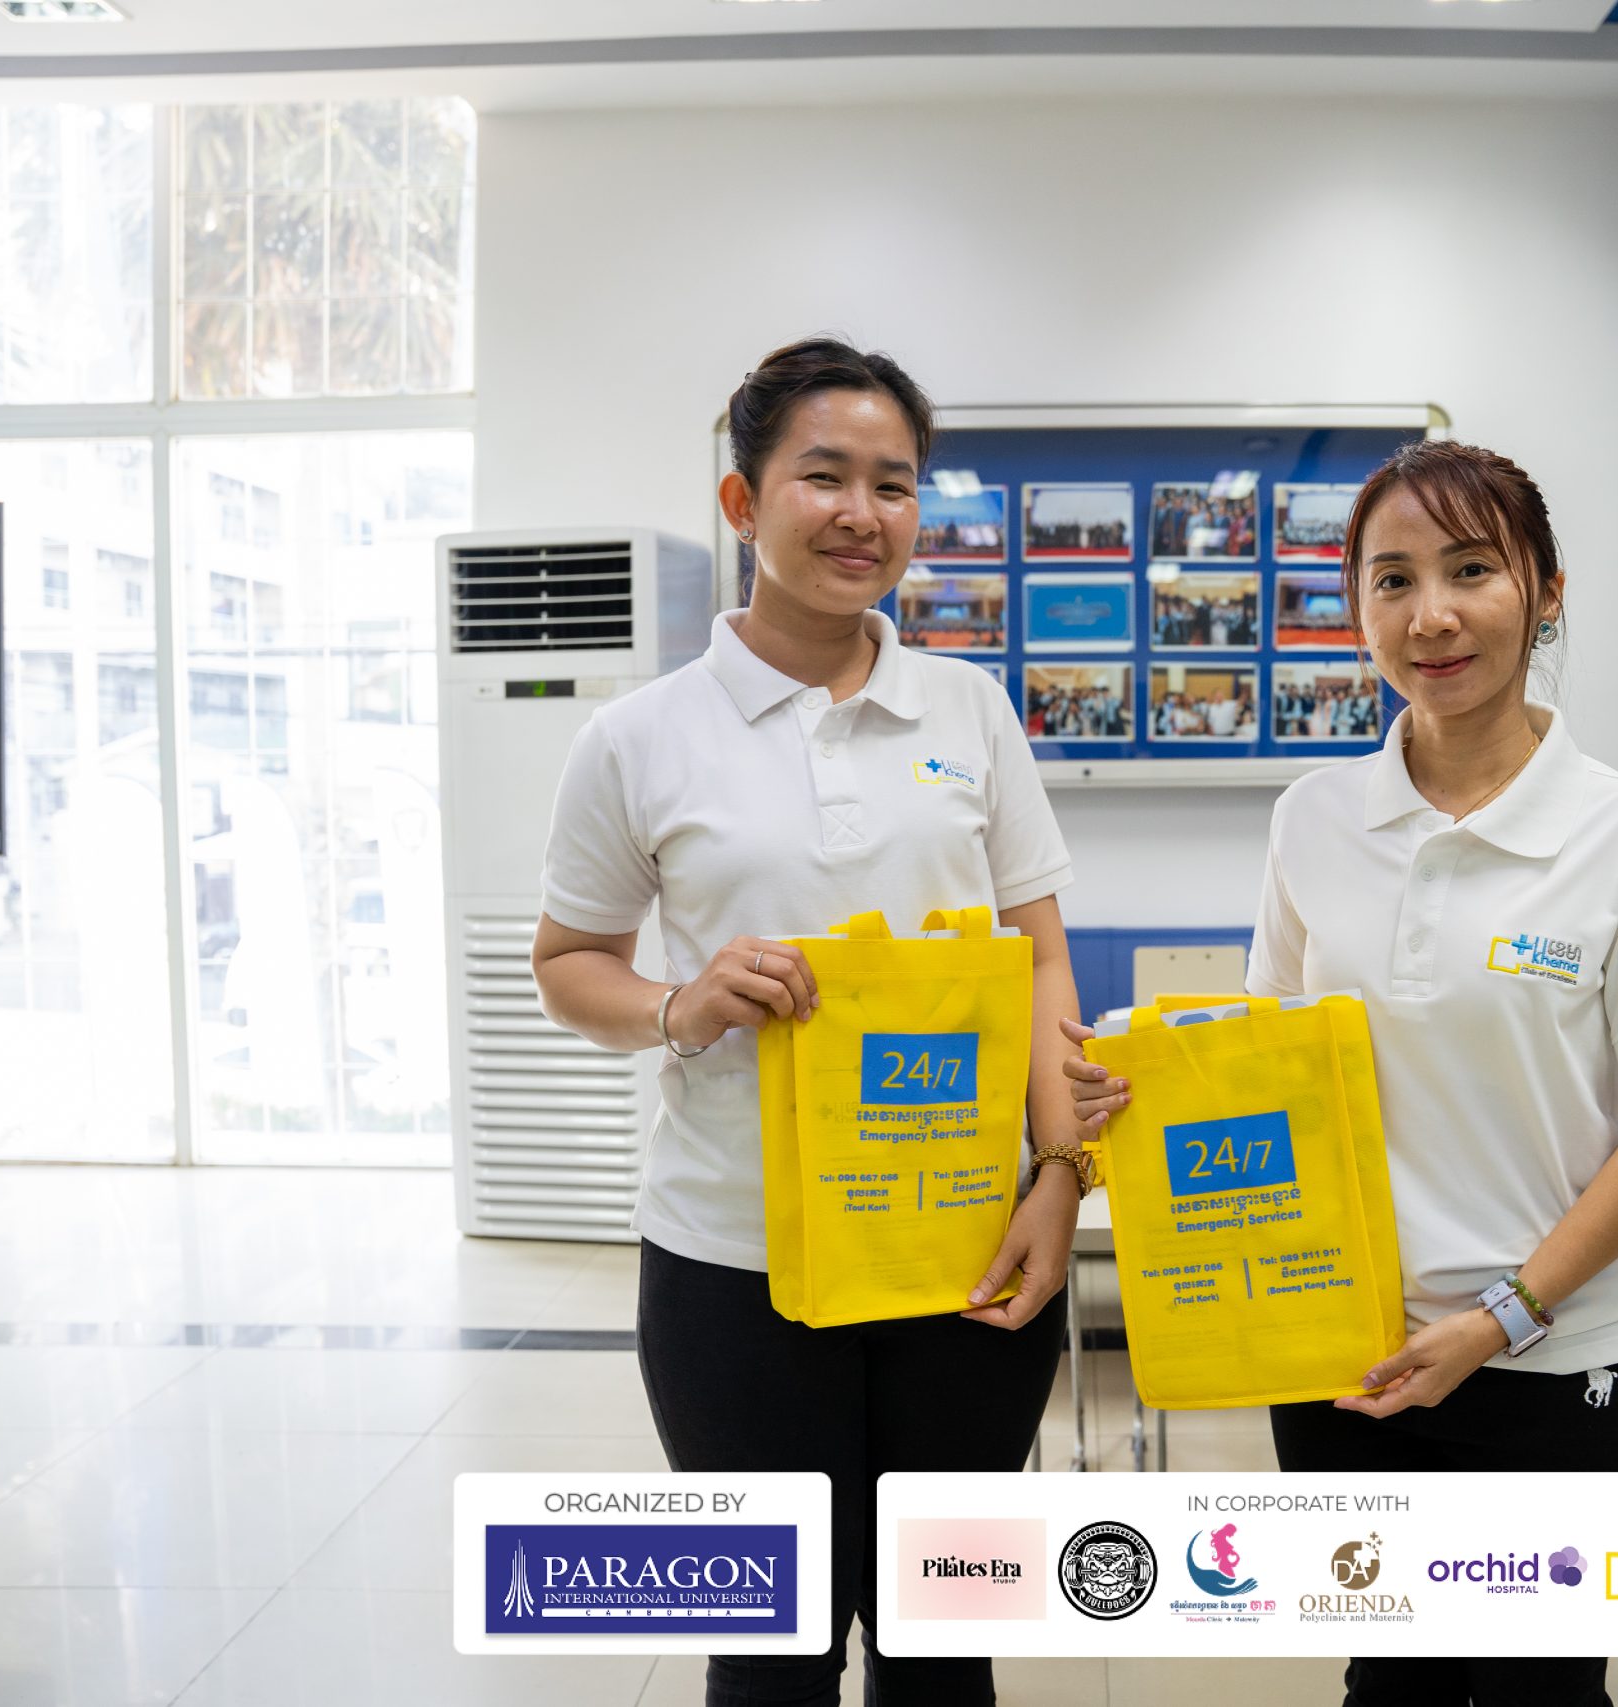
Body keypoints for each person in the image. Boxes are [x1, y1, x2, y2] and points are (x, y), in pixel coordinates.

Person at [1065, 439, 1618, 1707]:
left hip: (1561, 1357)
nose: (1431, 615)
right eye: (1392, 580)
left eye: (1471, 569)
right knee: (1390, 1684)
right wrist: (1142, 1099)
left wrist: (1504, 1314)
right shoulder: (1313, 820)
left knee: (1545, 1697)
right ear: (1357, 609)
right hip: (1349, 1352)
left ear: (1545, 593)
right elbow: (1272, 1078)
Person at [532, 337, 1086, 1707]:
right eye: (823, 476)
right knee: (768, 1649)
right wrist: (678, 1004)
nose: (862, 513)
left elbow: (1037, 960)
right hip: (734, 1263)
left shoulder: (969, 709)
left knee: (940, 1641)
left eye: (894, 484)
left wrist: (1061, 1175)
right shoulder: (639, 737)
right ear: (743, 500)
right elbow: (570, 962)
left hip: (963, 1252)